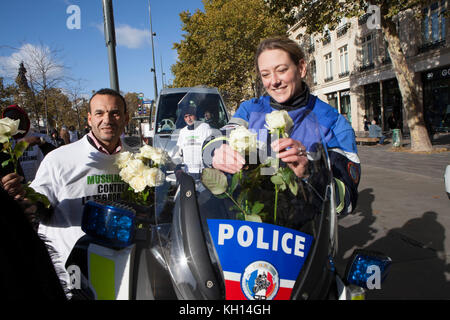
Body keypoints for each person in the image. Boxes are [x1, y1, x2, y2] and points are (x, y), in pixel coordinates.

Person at [203, 37, 360, 215]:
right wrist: (218, 151)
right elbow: (216, 139)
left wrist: (311, 172)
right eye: (265, 74)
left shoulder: (334, 122)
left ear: (301, 68)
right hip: (249, 225)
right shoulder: (249, 110)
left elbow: (347, 201)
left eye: (282, 70)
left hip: (307, 230)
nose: (274, 81)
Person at [28, 88, 131, 290]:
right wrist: (27, 204)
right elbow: (37, 202)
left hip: (122, 265)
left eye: (115, 113)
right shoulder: (59, 159)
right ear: (90, 119)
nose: (107, 119)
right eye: (100, 113)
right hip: (72, 271)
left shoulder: (139, 157)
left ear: (126, 118)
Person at [1, 104, 56, 183]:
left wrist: (41, 142)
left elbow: (55, 157)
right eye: (9, 119)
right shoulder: (5, 143)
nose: (14, 122)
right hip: (20, 189)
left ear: (25, 120)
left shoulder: (41, 137)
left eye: (18, 118)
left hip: (42, 185)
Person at [175, 104, 212, 180]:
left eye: (190, 115)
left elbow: (211, 147)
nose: (189, 119)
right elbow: (179, 152)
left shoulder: (205, 127)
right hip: (188, 171)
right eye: (186, 117)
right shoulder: (182, 132)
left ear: (195, 115)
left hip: (203, 170)